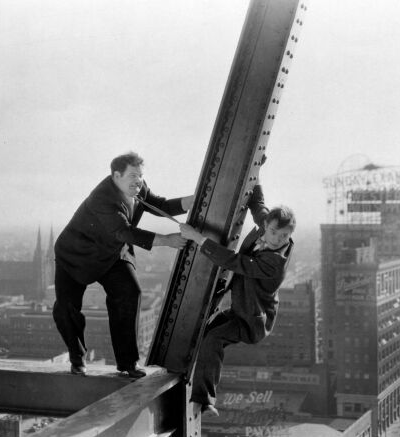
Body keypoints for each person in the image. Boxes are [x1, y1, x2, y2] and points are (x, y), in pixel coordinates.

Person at [54, 151, 193, 378]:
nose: (138, 181)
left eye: (140, 175)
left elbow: (162, 205)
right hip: (77, 256)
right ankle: (77, 358)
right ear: (116, 176)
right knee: (67, 308)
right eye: (132, 176)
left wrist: (194, 199)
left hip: (112, 253)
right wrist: (167, 240)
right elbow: (123, 231)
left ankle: (128, 363)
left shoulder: (137, 187)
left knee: (129, 293)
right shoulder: (101, 198)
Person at [179, 182, 295, 415]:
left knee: (213, 339)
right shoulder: (266, 224)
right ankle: (195, 384)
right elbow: (258, 205)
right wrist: (257, 175)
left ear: (290, 235)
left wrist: (198, 239)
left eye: (284, 236)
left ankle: (204, 400)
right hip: (240, 308)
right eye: (273, 232)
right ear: (266, 226)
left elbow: (236, 262)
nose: (276, 239)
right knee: (204, 333)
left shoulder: (275, 264)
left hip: (252, 321)